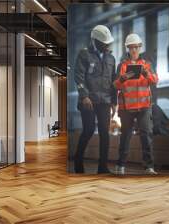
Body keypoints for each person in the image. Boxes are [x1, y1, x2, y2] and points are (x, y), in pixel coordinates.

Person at [73, 25, 117, 174]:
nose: (106, 45)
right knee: (89, 130)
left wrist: (114, 101)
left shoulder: (111, 58)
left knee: (105, 133)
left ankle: (102, 167)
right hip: (88, 101)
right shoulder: (84, 54)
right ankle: (78, 161)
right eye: (104, 43)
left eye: (107, 43)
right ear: (95, 41)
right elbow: (78, 76)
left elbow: (114, 81)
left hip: (105, 101)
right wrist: (84, 95)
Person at [113, 33, 158, 175]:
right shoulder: (122, 66)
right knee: (125, 137)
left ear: (140, 48)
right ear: (127, 48)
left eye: (136, 47)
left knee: (146, 136)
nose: (134, 50)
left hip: (144, 107)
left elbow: (155, 80)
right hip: (127, 108)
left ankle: (149, 167)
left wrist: (146, 74)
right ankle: (121, 166)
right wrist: (122, 78)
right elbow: (115, 85)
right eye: (131, 48)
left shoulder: (146, 65)